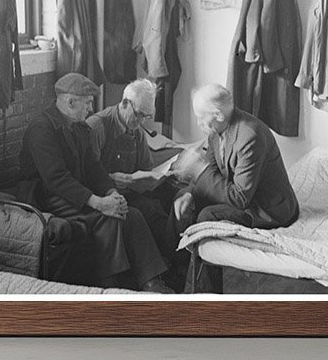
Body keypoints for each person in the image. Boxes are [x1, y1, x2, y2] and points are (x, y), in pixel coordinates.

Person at [17, 72, 174, 294]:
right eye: (87, 103)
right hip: (46, 196)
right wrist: (99, 203)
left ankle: (150, 281)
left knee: (131, 213)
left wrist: (111, 193)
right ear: (70, 102)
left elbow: (93, 169)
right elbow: (56, 179)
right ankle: (109, 287)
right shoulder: (42, 129)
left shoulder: (80, 127)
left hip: (73, 193)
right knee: (107, 219)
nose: (91, 109)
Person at [87, 78, 191, 271]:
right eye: (139, 115)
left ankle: (180, 263)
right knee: (149, 212)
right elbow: (85, 175)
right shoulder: (97, 126)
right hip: (106, 195)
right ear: (125, 103)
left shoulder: (138, 130)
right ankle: (168, 267)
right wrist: (110, 180)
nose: (142, 121)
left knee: (180, 194)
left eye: (147, 116)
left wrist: (154, 178)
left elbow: (146, 168)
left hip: (132, 190)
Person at [176, 83, 299, 229]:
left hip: (266, 207)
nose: (199, 123)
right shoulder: (216, 129)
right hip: (240, 193)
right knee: (182, 198)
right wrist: (190, 194)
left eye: (202, 117)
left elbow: (240, 198)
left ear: (219, 115)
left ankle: (188, 250)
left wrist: (198, 169)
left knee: (207, 215)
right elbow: (212, 170)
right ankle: (171, 251)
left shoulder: (250, 137)